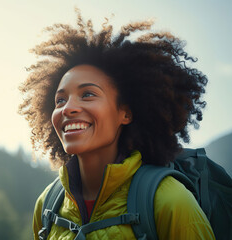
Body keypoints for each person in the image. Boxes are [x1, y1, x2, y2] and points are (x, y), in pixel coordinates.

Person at [19, 9, 215, 240]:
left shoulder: (169, 201)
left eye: (88, 94)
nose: (67, 108)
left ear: (126, 113)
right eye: (60, 100)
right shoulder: (47, 206)